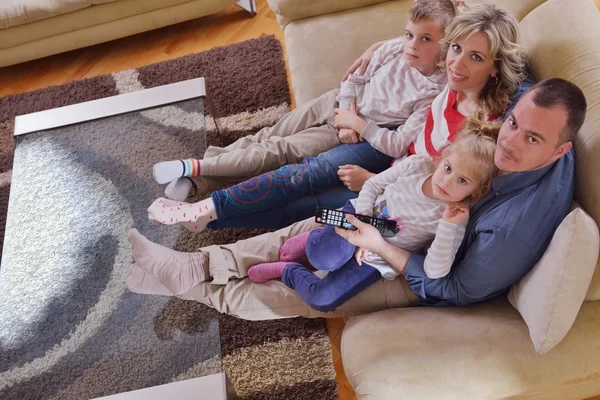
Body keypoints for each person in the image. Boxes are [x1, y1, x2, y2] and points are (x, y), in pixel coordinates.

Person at [125, 78, 586, 319]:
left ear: (560, 150)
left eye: (532, 140)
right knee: (314, 229)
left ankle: (194, 285)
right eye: (512, 125)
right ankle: (191, 266)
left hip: (414, 269)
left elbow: (455, 289)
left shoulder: (514, 228)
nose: (510, 142)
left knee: (311, 288)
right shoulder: (527, 104)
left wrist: (381, 245)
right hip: (388, 218)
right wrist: (366, 212)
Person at [146, 3, 526, 232]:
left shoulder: (475, 124)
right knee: (301, 170)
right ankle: (205, 199)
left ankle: (210, 219)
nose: (456, 63)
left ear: (495, 67)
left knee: (311, 209)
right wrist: (384, 47)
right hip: (388, 161)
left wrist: (375, 181)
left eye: (473, 57)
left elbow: (437, 180)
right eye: (454, 50)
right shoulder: (450, 81)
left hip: (394, 184)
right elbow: (421, 42)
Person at [152, 0, 455, 201]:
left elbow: (398, 143)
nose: (411, 46)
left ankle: (192, 168)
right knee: (267, 135)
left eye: (425, 39)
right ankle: (197, 177)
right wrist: (347, 109)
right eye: (408, 35)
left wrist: (355, 126)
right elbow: (354, 79)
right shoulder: (392, 48)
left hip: (344, 132)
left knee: (280, 150)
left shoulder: (434, 93)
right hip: (335, 102)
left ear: (445, 45)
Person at [245, 118, 499, 313]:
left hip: (377, 256)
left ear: (476, 191)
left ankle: (288, 270)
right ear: (442, 158)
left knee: (323, 300)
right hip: (358, 216)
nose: (447, 181)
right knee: (324, 256)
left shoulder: (454, 219)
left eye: (463, 180)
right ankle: (310, 240)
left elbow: (434, 271)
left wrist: (447, 226)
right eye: (448, 168)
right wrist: (363, 223)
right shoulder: (417, 165)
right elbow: (372, 185)